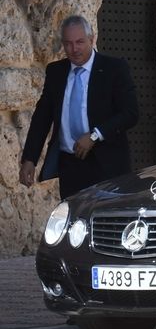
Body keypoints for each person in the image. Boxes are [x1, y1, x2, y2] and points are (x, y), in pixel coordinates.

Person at [18, 15, 139, 199]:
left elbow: (131, 113)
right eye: (68, 44)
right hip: (70, 166)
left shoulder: (113, 68)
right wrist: (30, 159)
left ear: (92, 39)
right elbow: (42, 118)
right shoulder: (56, 72)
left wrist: (95, 135)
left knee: (106, 222)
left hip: (106, 164)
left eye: (80, 42)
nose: (74, 49)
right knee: (74, 223)